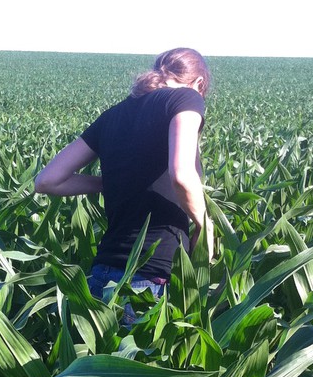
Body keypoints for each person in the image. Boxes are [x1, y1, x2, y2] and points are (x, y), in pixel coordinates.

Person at [34, 48, 214, 305]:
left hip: (102, 273)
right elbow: (182, 175)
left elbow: (46, 180)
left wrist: (112, 183)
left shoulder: (113, 115)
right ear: (199, 83)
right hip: (150, 278)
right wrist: (204, 224)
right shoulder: (185, 98)